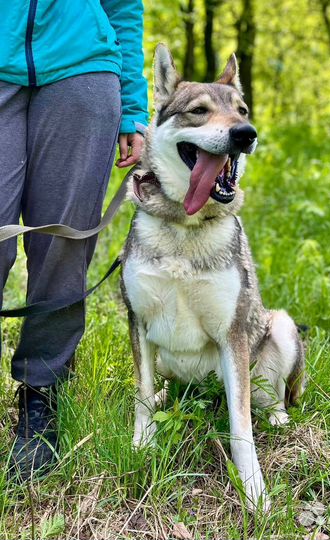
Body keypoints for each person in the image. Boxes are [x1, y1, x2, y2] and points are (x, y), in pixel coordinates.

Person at [0, 0, 148, 480]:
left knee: (62, 248)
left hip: (83, 68)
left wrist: (132, 106)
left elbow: (123, 6)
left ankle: (40, 395)